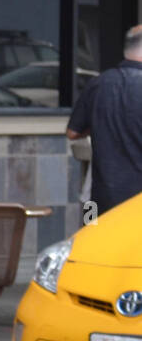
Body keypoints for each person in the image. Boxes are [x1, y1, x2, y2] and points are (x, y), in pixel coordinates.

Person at [66, 25, 142, 217]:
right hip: (135, 202)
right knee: (131, 246)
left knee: (89, 240)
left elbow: (72, 132)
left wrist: (101, 125)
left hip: (95, 197)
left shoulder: (99, 83)